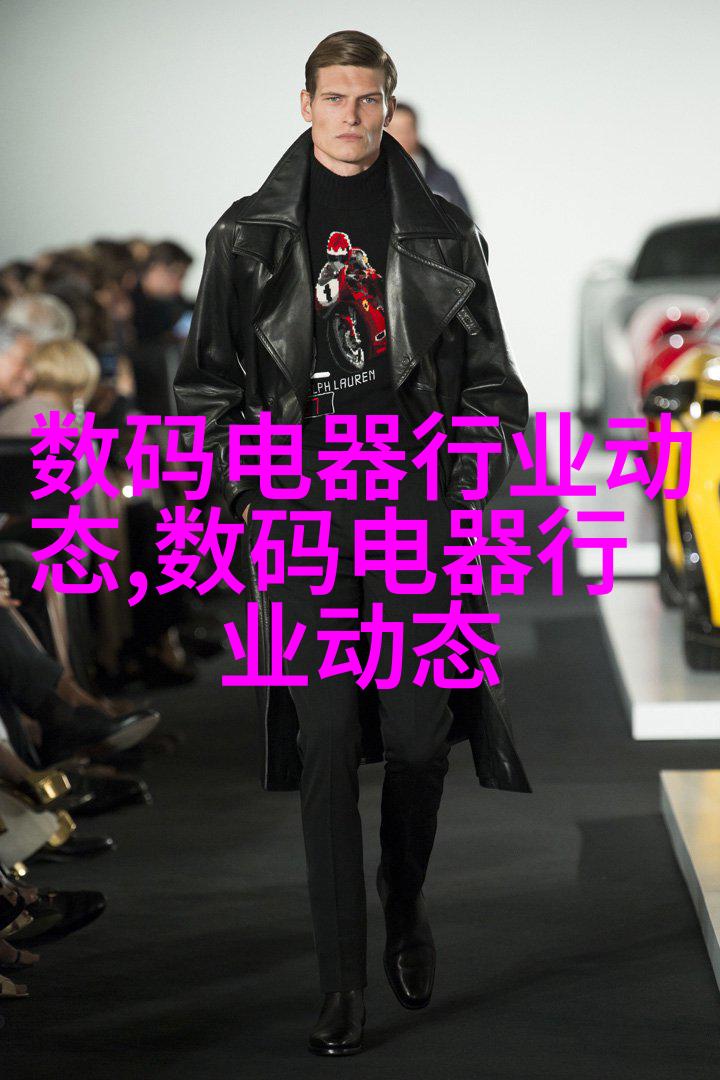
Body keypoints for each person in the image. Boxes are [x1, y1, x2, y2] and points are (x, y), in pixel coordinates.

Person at [174, 29, 531, 1056]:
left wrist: (460, 489)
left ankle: (402, 896)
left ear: (387, 104)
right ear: (305, 105)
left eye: (367, 98)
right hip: (298, 517)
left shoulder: (446, 235)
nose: (350, 115)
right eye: (333, 97)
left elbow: (496, 386)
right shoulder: (246, 236)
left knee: (419, 739)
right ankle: (341, 980)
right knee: (326, 742)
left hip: (413, 514)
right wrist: (240, 507)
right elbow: (204, 390)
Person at [388, 101, 473, 217]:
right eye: (396, 130)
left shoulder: (444, 180)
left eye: (406, 130)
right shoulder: (368, 177)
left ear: (416, 132)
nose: (402, 136)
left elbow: (466, 222)